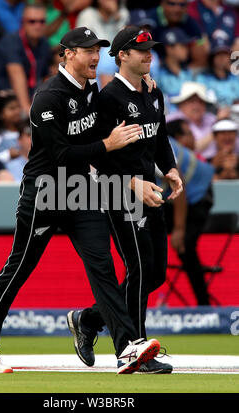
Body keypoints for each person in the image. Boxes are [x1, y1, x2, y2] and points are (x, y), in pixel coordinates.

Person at [0, 27, 162, 375]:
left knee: (102, 266)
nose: (95, 57)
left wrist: (147, 92)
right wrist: (107, 145)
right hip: (44, 192)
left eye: (98, 50)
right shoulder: (48, 97)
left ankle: (127, 347)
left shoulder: (91, 91)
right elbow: (59, 152)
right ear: (68, 53)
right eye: (88, 50)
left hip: (80, 191)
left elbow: (115, 112)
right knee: (20, 267)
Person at [67, 27, 183, 374]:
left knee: (156, 274)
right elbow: (97, 157)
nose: (149, 54)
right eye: (141, 50)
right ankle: (137, 349)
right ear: (122, 55)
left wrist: (171, 169)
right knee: (139, 269)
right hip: (121, 194)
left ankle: (88, 319)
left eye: (150, 49)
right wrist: (132, 183)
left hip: (152, 192)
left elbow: (159, 135)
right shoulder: (109, 99)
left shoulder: (153, 91)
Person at [163, 118, 214, 305]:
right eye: (188, 133)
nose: (193, 137)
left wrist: (179, 228)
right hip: (182, 197)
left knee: (185, 245)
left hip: (199, 195)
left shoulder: (153, 145)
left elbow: (179, 186)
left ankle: (204, 307)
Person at [0, 4, 52, 117]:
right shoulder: (11, 41)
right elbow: (16, 74)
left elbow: (46, 76)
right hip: (5, 101)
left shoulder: (44, 43)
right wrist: (27, 111)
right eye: (32, 21)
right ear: (22, 22)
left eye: (41, 21)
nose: (37, 25)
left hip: (33, 97)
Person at [129, 0, 209, 69]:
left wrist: (184, 75)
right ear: (162, 3)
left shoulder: (191, 22)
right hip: (153, 66)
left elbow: (200, 55)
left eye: (182, 5)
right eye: (171, 3)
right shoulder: (149, 20)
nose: (177, 9)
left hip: (181, 68)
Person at [76, 0, 130, 88]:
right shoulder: (88, 14)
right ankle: (106, 96)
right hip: (95, 56)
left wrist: (115, 15)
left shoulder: (122, 13)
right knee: (107, 55)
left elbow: (125, 40)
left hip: (119, 56)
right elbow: (81, 44)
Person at [167, 81, 217, 160]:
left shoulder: (211, 118)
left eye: (201, 102)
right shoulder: (172, 122)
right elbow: (193, 147)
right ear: (181, 104)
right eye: (192, 101)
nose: (197, 105)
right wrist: (216, 132)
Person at [154, 27, 194, 113]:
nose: (186, 50)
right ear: (169, 48)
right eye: (182, 46)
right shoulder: (158, 74)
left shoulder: (188, 72)